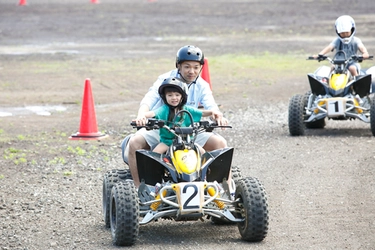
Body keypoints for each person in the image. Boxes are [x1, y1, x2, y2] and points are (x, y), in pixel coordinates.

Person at [127, 45, 228, 187]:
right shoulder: (165, 79)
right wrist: (141, 116)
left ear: (201, 68)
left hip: (189, 130)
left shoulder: (202, 85)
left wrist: (218, 117)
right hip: (163, 128)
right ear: (178, 66)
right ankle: (140, 190)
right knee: (134, 142)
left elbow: (211, 106)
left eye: (195, 67)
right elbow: (149, 99)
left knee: (220, 144)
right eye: (187, 66)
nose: (191, 71)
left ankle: (221, 189)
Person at [137, 77, 223, 155]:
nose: (174, 98)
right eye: (170, 95)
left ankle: (205, 172)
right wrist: (142, 116)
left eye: (177, 95)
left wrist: (213, 112)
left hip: (187, 141)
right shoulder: (163, 109)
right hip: (167, 142)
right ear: (164, 97)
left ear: (182, 97)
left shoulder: (187, 109)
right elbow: (152, 113)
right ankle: (155, 172)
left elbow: (202, 113)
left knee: (203, 154)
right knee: (155, 155)